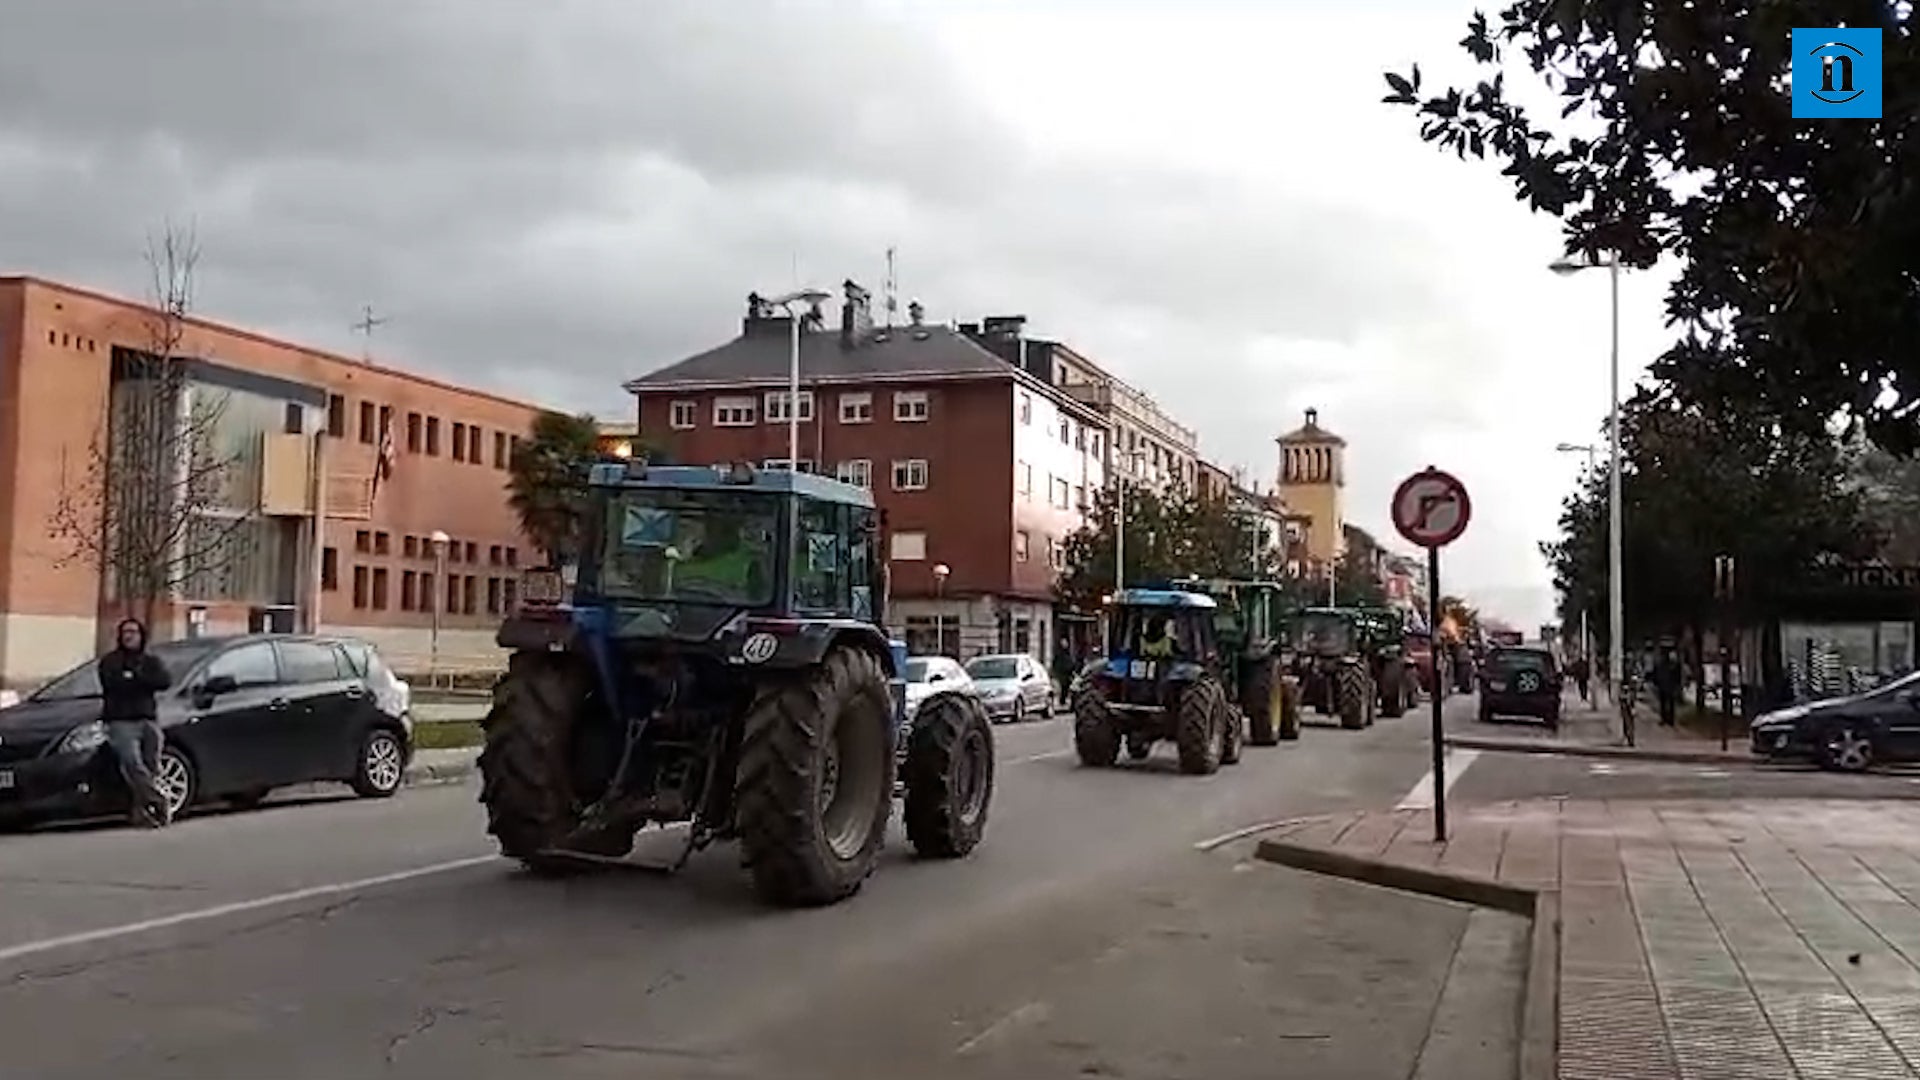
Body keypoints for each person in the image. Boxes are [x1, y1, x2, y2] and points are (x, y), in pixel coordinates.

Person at [97, 618, 173, 827]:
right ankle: (159, 801)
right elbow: (114, 684)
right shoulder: (110, 661)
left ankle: (140, 813)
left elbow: (164, 681)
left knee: (151, 767)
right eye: (126, 632)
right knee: (132, 764)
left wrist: (135, 677)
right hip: (121, 721)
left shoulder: (150, 661)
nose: (129, 636)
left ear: (141, 635)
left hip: (148, 720)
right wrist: (139, 680)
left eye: (134, 632)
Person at [1651, 645, 1683, 728]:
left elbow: (1677, 675)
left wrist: (1678, 685)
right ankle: (1665, 719)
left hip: (1669, 685)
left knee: (1669, 703)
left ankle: (1669, 719)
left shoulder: (1673, 664)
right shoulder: (1663, 663)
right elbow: (1657, 673)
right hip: (1665, 685)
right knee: (1665, 703)